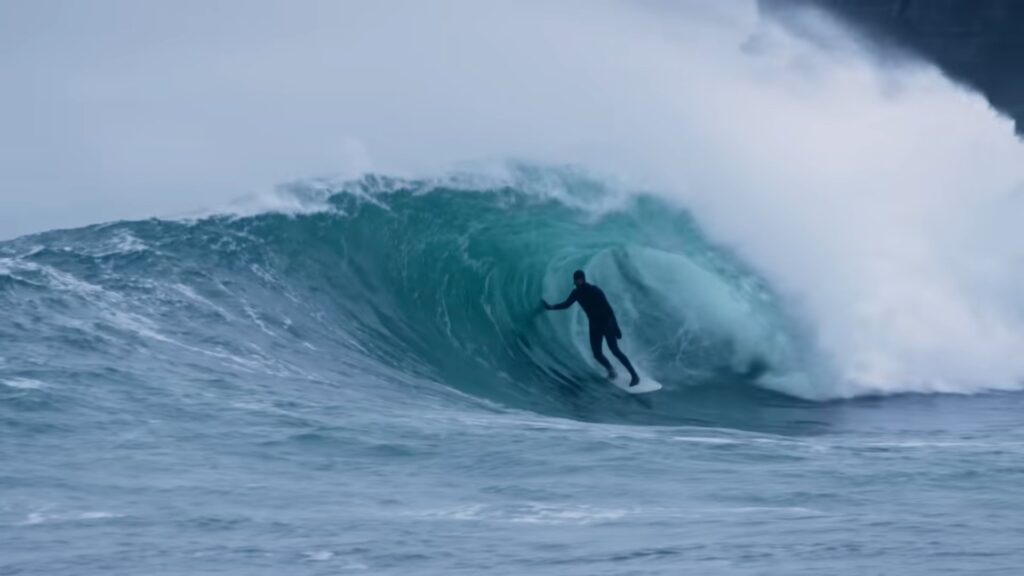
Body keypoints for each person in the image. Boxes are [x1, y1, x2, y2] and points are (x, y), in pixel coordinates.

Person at [542, 270, 640, 386]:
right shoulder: (576, 293)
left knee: (615, 351)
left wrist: (616, 327)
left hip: (607, 323)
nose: (578, 281)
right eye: (576, 279)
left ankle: (634, 375)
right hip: (594, 325)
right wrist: (551, 307)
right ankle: (611, 371)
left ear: (583, 279)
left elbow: (608, 309)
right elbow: (566, 304)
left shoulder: (595, 290)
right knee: (597, 354)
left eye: (579, 279)